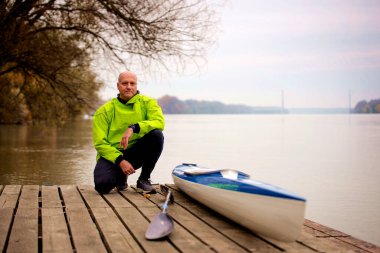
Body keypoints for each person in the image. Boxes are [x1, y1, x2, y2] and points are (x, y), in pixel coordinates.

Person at [92, 71, 165, 194]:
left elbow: (159, 122)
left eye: (132, 83)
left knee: (157, 135)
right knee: (102, 186)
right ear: (118, 85)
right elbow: (100, 144)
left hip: (136, 152)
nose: (129, 86)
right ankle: (120, 177)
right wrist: (120, 161)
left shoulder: (148, 103)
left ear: (136, 85)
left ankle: (144, 179)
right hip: (113, 155)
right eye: (125, 83)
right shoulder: (104, 111)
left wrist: (134, 127)